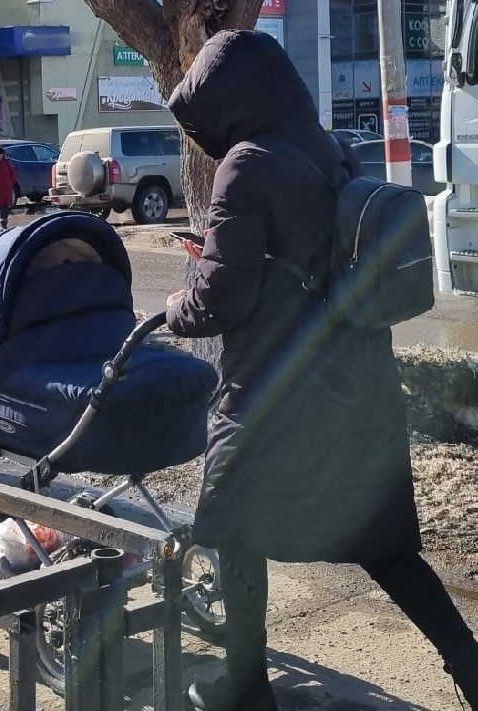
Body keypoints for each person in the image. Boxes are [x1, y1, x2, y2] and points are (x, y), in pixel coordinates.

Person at [163, 30, 478, 711]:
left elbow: (221, 298)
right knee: (386, 548)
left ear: (231, 101)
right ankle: (472, 667)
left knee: (233, 534)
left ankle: (245, 689)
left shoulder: (245, 166)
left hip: (274, 401)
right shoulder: (334, 148)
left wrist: (174, 304)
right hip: (356, 387)